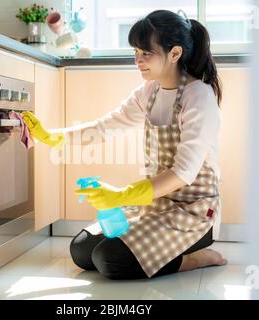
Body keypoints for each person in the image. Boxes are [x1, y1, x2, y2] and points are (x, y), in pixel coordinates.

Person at [22, 9, 228, 280]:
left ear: (175, 53)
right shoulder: (149, 92)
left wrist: (122, 195)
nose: (137, 60)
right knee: (82, 251)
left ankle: (195, 258)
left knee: (110, 260)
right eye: (135, 52)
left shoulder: (198, 96)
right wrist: (51, 136)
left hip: (194, 212)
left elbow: (183, 173)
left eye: (146, 53)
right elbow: (104, 128)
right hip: (154, 205)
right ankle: (161, 252)